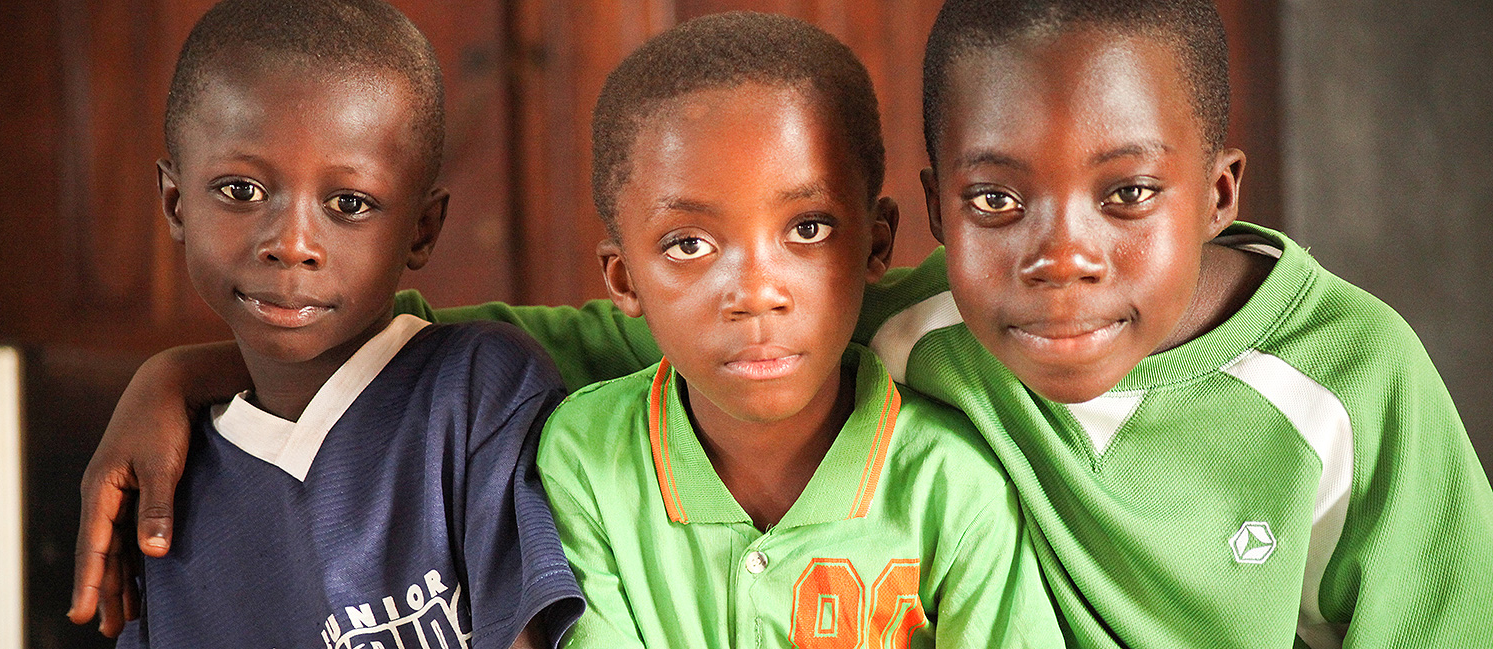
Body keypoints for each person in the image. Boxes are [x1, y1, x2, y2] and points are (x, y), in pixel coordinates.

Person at [75, 0, 1493, 647]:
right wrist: (198, 365)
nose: (1061, 258)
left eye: (1127, 195)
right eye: (999, 202)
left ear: (1218, 189)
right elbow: (496, 339)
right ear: (934, 212)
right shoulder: (893, 323)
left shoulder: (1344, 378)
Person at [535, 13, 1059, 647]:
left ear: (878, 241)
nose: (756, 294)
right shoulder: (585, 456)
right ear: (623, 280)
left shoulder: (951, 485)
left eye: (808, 228)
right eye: (689, 243)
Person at [77, 1, 585, 646]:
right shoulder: (165, 483)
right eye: (240, 191)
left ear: (422, 229)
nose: (292, 243)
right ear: (176, 204)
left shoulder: (479, 392)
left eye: (350, 203)